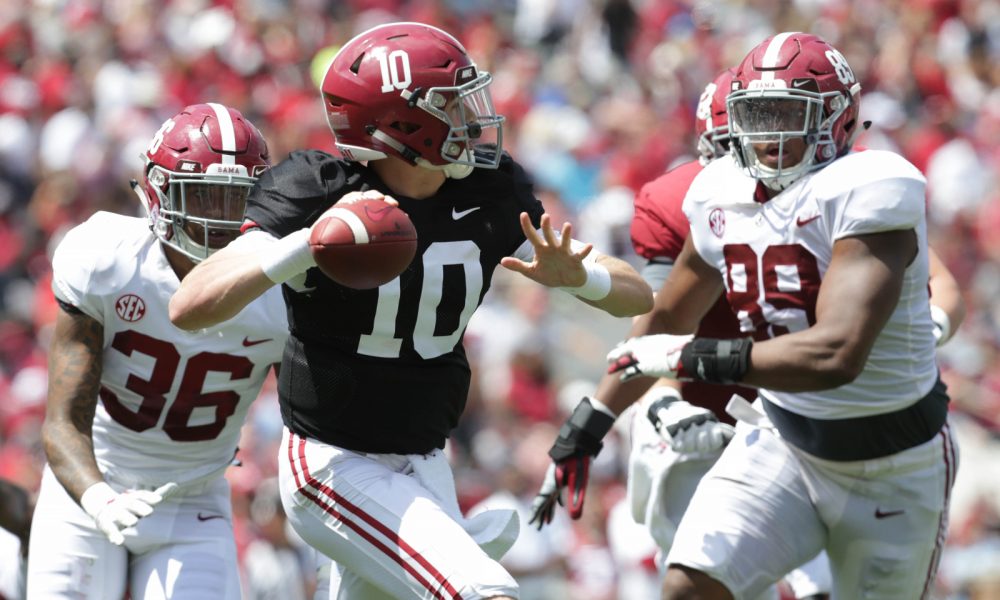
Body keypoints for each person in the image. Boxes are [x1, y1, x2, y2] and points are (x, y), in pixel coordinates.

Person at [168, 21, 652, 600]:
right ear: (402, 124)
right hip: (333, 463)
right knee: (483, 591)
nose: (474, 117)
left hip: (426, 463)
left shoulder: (490, 191)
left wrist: (584, 275)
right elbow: (189, 306)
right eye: (452, 103)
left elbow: (637, 294)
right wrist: (304, 245)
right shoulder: (319, 189)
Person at [531, 32, 960, 599]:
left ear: (836, 118)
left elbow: (836, 354)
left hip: (890, 461)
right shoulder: (718, 192)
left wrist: (699, 358)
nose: (769, 134)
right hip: (783, 438)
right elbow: (665, 320)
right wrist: (588, 424)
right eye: (756, 115)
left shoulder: (869, 188)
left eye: (788, 114)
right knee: (690, 585)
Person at [27, 103, 285, 600]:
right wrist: (98, 498)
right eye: (204, 197)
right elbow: (62, 421)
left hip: (194, 501)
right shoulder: (107, 259)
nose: (218, 218)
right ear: (158, 192)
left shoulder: (277, 290)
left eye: (235, 199)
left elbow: (311, 426)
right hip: (91, 484)